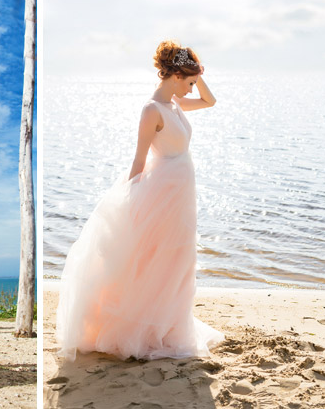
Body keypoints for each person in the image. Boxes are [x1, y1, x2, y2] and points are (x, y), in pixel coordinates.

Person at [56, 40, 225, 361]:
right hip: (161, 194)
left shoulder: (175, 104)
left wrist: (197, 72)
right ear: (175, 76)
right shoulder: (152, 110)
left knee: (179, 262)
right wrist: (129, 202)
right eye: (188, 83)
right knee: (156, 261)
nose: (192, 89)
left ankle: (169, 326)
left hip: (181, 195)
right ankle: (144, 329)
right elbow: (139, 160)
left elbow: (210, 100)